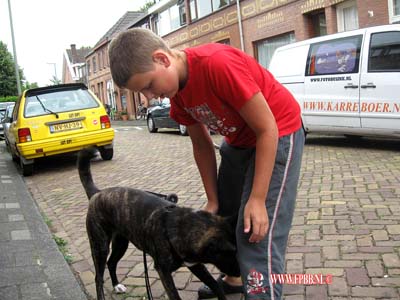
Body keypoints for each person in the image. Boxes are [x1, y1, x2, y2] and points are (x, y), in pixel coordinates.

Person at [108, 28, 304, 300]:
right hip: (239, 141)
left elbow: (267, 128)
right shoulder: (178, 95)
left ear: (162, 59)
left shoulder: (217, 65)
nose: (149, 97)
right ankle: (235, 279)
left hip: (279, 132)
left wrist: (258, 199)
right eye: (142, 92)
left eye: (149, 86)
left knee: (255, 234)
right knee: (221, 216)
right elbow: (201, 146)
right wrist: (212, 200)